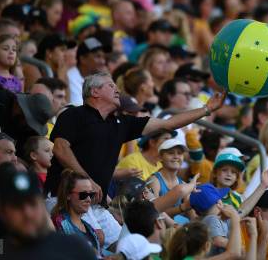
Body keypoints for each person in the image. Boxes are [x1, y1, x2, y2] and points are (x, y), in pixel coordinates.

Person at [45, 72, 226, 207]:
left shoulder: (121, 124)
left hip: (96, 206)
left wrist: (207, 109)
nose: (117, 89)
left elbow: (169, 123)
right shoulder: (73, 114)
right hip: (60, 198)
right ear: (94, 91)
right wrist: (86, 180)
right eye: (110, 86)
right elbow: (60, 148)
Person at [0, 162, 98, 260]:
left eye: (33, 204)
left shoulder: (76, 247)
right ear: (2, 212)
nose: (28, 213)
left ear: (43, 206)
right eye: (17, 207)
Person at [51, 169, 101, 256]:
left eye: (91, 195)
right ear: (68, 195)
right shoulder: (59, 222)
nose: (88, 199)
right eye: (83, 195)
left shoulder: (88, 227)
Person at [188, 183, 235, 254]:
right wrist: (239, 247)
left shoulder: (209, 219)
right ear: (219, 203)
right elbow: (218, 241)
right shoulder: (211, 219)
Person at [66, 37, 108, 106]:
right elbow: (78, 107)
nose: (103, 62)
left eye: (104, 57)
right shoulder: (71, 77)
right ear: (83, 59)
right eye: (98, 57)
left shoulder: (98, 78)